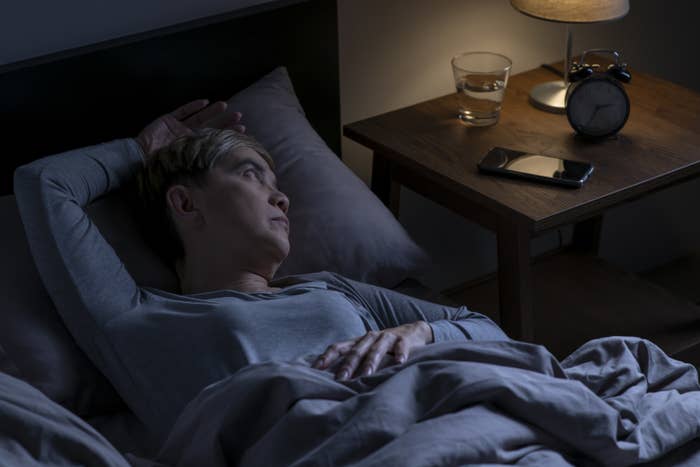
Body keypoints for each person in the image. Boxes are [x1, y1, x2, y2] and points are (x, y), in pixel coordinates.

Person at [14, 99, 508, 444]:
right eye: (252, 175)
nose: (282, 197)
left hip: (439, 421)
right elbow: (43, 183)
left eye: (276, 184)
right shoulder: (131, 315)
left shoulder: (329, 288)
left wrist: (420, 333)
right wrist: (142, 150)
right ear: (185, 203)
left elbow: (492, 334)